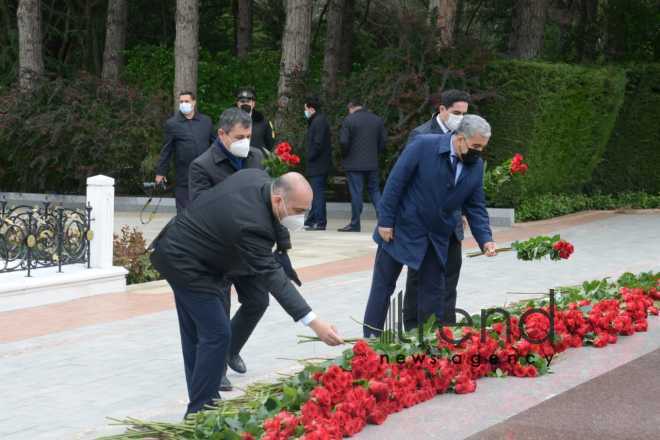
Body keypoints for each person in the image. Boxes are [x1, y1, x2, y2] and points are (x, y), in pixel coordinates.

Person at [150, 169, 343, 417]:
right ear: (278, 200)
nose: (301, 218)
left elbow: (276, 222)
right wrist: (314, 322)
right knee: (217, 332)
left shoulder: (259, 180)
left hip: (194, 253)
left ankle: (203, 406)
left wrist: (283, 249)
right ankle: (201, 410)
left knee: (198, 334)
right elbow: (274, 278)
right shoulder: (250, 225)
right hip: (184, 262)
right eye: (298, 211)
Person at [362, 115, 498, 338]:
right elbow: (396, 182)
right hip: (401, 229)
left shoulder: (476, 166)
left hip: (437, 235)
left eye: (482, 147)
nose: (478, 152)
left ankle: (428, 341)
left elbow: (475, 205)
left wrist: (486, 239)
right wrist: (385, 221)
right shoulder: (424, 145)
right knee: (383, 285)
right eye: (475, 146)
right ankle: (371, 337)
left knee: (432, 293)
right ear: (460, 138)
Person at [188, 108, 292, 392]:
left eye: (247, 136)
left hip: (249, 250)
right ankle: (216, 368)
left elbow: (273, 204)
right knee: (218, 314)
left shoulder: (256, 158)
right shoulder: (202, 166)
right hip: (217, 253)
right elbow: (199, 211)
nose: (244, 142)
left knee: (258, 301)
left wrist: (283, 245)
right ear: (222, 134)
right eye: (239, 136)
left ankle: (230, 349)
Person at [401, 89, 471, 331]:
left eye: (464, 113)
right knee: (418, 278)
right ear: (441, 109)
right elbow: (406, 180)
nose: (461, 118)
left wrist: (462, 211)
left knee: (450, 277)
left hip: (451, 223)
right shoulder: (420, 136)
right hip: (424, 225)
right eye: (456, 113)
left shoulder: (464, 136)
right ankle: (412, 330)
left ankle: (446, 329)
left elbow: (463, 178)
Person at [155, 91, 215, 214]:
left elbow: (215, 145)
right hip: (183, 176)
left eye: (186, 101)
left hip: (204, 175)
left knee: (203, 210)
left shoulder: (206, 121)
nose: (183, 104)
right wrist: (160, 172)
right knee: (183, 213)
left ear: (194, 102)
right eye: (181, 102)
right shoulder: (172, 124)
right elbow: (166, 150)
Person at [337, 100, 387, 232]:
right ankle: (384, 220)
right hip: (372, 163)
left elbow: (343, 141)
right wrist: (375, 154)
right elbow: (383, 142)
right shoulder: (377, 120)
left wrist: (345, 155)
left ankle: (355, 223)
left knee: (356, 193)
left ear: (351, 107)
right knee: (375, 192)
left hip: (353, 164)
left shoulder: (349, 120)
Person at [302, 95, 332, 231]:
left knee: (317, 193)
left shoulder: (318, 122)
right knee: (314, 193)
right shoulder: (317, 120)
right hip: (318, 164)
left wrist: (309, 156)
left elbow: (317, 144)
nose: (305, 111)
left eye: (305, 108)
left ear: (311, 108)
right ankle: (312, 219)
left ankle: (319, 221)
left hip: (318, 164)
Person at [235, 87, 275, 152]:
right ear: (237, 103)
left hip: (258, 160)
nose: (245, 104)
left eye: (248, 101)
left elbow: (270, 144)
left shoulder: (264, 122)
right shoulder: (229, 121)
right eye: (242, 101)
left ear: (253, 103)